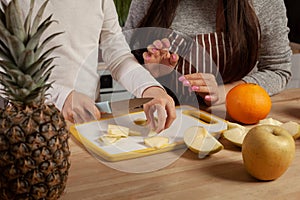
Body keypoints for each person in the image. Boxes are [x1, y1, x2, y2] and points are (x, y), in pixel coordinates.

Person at [11, 0, 176, 133]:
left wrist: (150, 88)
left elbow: (118, 55)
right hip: (24, 123)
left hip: (85, 123)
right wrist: (61, 96)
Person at [124, 0, 292, 106]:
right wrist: (151, 74)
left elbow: (277, 70)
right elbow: (122, 59)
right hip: (155, 114)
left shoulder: (265, 3)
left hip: (233, 119)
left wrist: (225, 92)